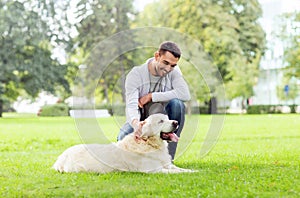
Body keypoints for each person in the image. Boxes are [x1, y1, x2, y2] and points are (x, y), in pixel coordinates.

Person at [117, 41, 190, 160]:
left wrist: (151, 96)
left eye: (172, 65)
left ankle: (168, 159)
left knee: (177, 104)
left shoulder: (174, 71)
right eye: (165, 63)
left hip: (164, 118)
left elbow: (185, 94)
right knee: (123, 137)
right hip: (143, 118)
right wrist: (136, 124)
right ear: (157, 56)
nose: (168, 68)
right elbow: (132, 105)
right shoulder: (136, 74)